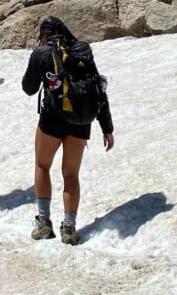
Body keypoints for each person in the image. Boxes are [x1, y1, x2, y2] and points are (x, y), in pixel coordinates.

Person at [22, 16, 114, 244]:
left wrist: (39, 63)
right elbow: (98, 88)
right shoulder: (82, 50)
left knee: (42, 165)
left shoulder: (43, 52)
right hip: (81, 121)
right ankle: (69, 228)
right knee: (71, 174)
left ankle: (44, 223)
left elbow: (29, 88)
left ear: (44, 34)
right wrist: (107, 128)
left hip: (52, 118)